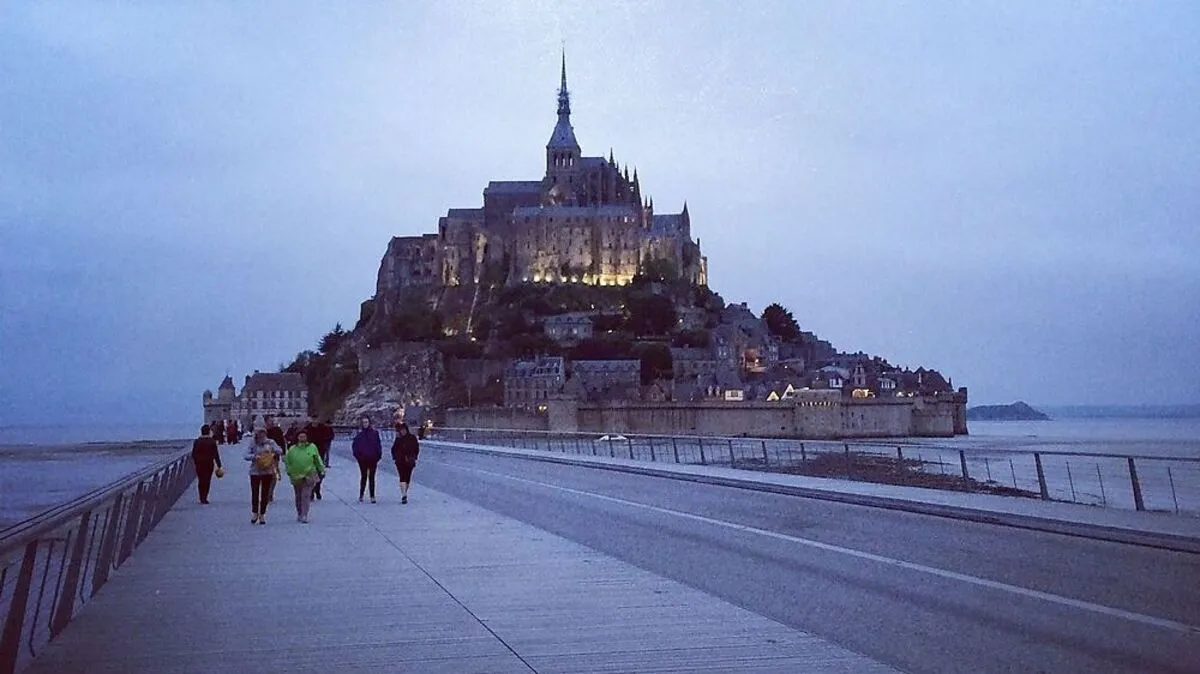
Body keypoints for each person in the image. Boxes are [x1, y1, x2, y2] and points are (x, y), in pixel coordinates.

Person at [284, 430, 325, 523]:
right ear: (297, 438)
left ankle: (305, 514)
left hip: (309, 475)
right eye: (300, 436)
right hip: (296, 476)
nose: (302, 438)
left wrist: (321, 469)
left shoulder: (312, 447)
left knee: (306, 495)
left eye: (304, 436)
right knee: (298, 496)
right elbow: (287, 461)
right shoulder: (292, 449)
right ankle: (299, 513)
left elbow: (317, 459)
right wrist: (289, 471)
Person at [243, 429, 282, 524]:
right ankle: (255, 512)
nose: (261, 436)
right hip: (255, 471)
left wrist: (272, 452)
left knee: (265, 494)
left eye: (263, 434)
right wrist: (254, 456)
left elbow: (279, 450)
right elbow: (245, 455)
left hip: (267, 471)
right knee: (255, 493)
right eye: (260, 434)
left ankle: (262, 515)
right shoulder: (253, 443)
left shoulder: (270, 442)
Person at [351, 415, 382, 503]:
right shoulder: (359, 435)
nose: (365, 424)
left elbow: (378, 445)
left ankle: (372, 496)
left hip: (373, 458)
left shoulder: (374, 433)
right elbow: (355, 446)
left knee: (372, 477)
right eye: (364, 422)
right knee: (363, 476)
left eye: (366, 422)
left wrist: (378, 455)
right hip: (363, 459)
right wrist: (358, 456)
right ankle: (361, 494)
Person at [191, 424, 223, 504]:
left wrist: (196, 462)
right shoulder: (212, 441)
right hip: (209, 463)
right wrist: (219, 465)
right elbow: (216, 454)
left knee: (201, 480)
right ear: (209, 431)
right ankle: (205, 497)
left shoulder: (197, 441)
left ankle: (201, 497)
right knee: (207, 480)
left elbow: (193, 454)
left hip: (199, 464)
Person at [390, 422, 420, 505]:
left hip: (409, 461)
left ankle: (405, 492)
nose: (402, 432)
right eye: (401, 430)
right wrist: (395, 457)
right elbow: (393, 449)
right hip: (400, 461)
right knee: (402, 477)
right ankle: (404, 495)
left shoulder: (412, 438)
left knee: (408, 478)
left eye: (404, 430)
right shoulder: (398, 439)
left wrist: (414, 456)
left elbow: (416, 448)